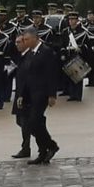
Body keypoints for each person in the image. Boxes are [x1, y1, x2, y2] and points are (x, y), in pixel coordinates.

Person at [17, 28, 61, 165]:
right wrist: (22, 95)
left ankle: (51, 146)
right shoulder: (30, 53)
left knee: (34, 121)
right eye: (24, 40)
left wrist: (52, 94)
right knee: (35, 124)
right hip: (30, 93)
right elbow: (27, 76)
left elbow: (52, 74)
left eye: (27, 39)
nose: (25, 42)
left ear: (35, 38)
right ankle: (43, 151)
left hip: (42, 93)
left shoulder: (46, 52)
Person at [10, 36, 33, 159]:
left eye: (19, 42)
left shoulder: (29, 56)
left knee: (25, 122)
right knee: (20, 121)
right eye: (16, 42)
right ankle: (45, 142)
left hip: (26, 95)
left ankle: (26, 148)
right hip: (20, 93)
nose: (17, 44)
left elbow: (28, 78)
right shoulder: (21, 56)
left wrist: (22, 95)